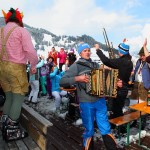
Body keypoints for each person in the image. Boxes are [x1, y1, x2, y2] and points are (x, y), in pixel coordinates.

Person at [60, 43, 123, 150]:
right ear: (80, 53)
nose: (87, 52)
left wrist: (116, 84)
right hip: (86, 103)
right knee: (89, 130)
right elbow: (62, 81)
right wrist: (77, 78)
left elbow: (106, 80)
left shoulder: (96, 65)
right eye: (85, 50)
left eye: (88, 50)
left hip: (100, 101)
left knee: (105, 128)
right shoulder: (76, 66)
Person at [0, 8, 38, 141]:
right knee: (18, 97)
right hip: (16, 69)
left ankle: (4, 124)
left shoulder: (0, 30)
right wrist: (33, 65)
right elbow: (31, 52)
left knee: (8, 96)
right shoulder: (22, 31)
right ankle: (11, 131)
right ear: (19, 20)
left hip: (2, 68)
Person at [95, 41, 133, 132]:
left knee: (116, 110)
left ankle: (121, 130)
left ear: (121, 51)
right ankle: (116, 127)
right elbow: (119, 70)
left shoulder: (122, 61)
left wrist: (98, 50)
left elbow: (106, 61)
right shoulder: (129, 61)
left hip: (119, 88)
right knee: (117, 109)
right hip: (124, 87)